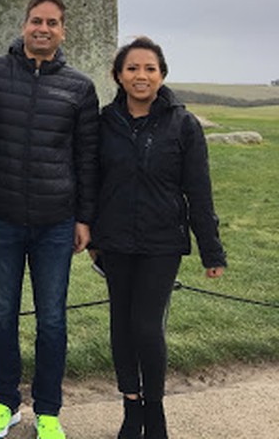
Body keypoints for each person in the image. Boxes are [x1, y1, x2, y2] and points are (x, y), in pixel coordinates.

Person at [0, 0, 99, 439]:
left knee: (53, 318)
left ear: (63, 31)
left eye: (52, 23)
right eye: (36, 21)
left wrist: (84, 218)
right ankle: (5, 403)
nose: (43, 29)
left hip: (56, 220)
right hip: (1, 216)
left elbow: (87, 156)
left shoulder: (79, 87)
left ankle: (48, 410)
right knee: (2, 315)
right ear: (23, 24)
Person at [92, 36, 226, 439]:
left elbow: (198, 191)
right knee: (121, 326)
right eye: (132, 68)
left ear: (162, 74)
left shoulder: (182, 124)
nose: (141, 75)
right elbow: (92, 181)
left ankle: (155, 410)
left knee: (146, 326)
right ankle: (130, 408)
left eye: (149, 68)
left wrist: (211, 250)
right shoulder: (104, 122)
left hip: (162, 240)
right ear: (118, 75)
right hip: (114, 240)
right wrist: (91, 232)